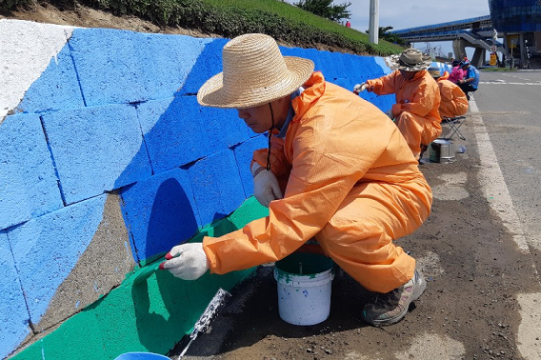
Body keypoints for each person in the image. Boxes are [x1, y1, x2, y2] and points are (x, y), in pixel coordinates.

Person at [161, 33, 432, 327]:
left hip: (400, 193)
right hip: (362, 182)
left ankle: (401, 278)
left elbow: (294, 219)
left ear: (277, 95)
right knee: (304, 207)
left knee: (336, 228)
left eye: (249, 104)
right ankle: (338, 256)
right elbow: (284, 145)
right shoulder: (298, 105)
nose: (241, 114)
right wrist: (260, 169)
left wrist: (212, 254)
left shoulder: (321, 134)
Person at [354, 48, 441, 160]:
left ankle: (409, 158)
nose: (401, 70)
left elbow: (420, 109)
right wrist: (368, 85)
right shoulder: (401, 76)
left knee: (406, 117)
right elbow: (385, 82)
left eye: (404, 69)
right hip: (405, 122)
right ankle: (399, 151)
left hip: (428, 126)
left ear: (413, 70)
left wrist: (395, 110)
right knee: (389, 126)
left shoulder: (426, 84)